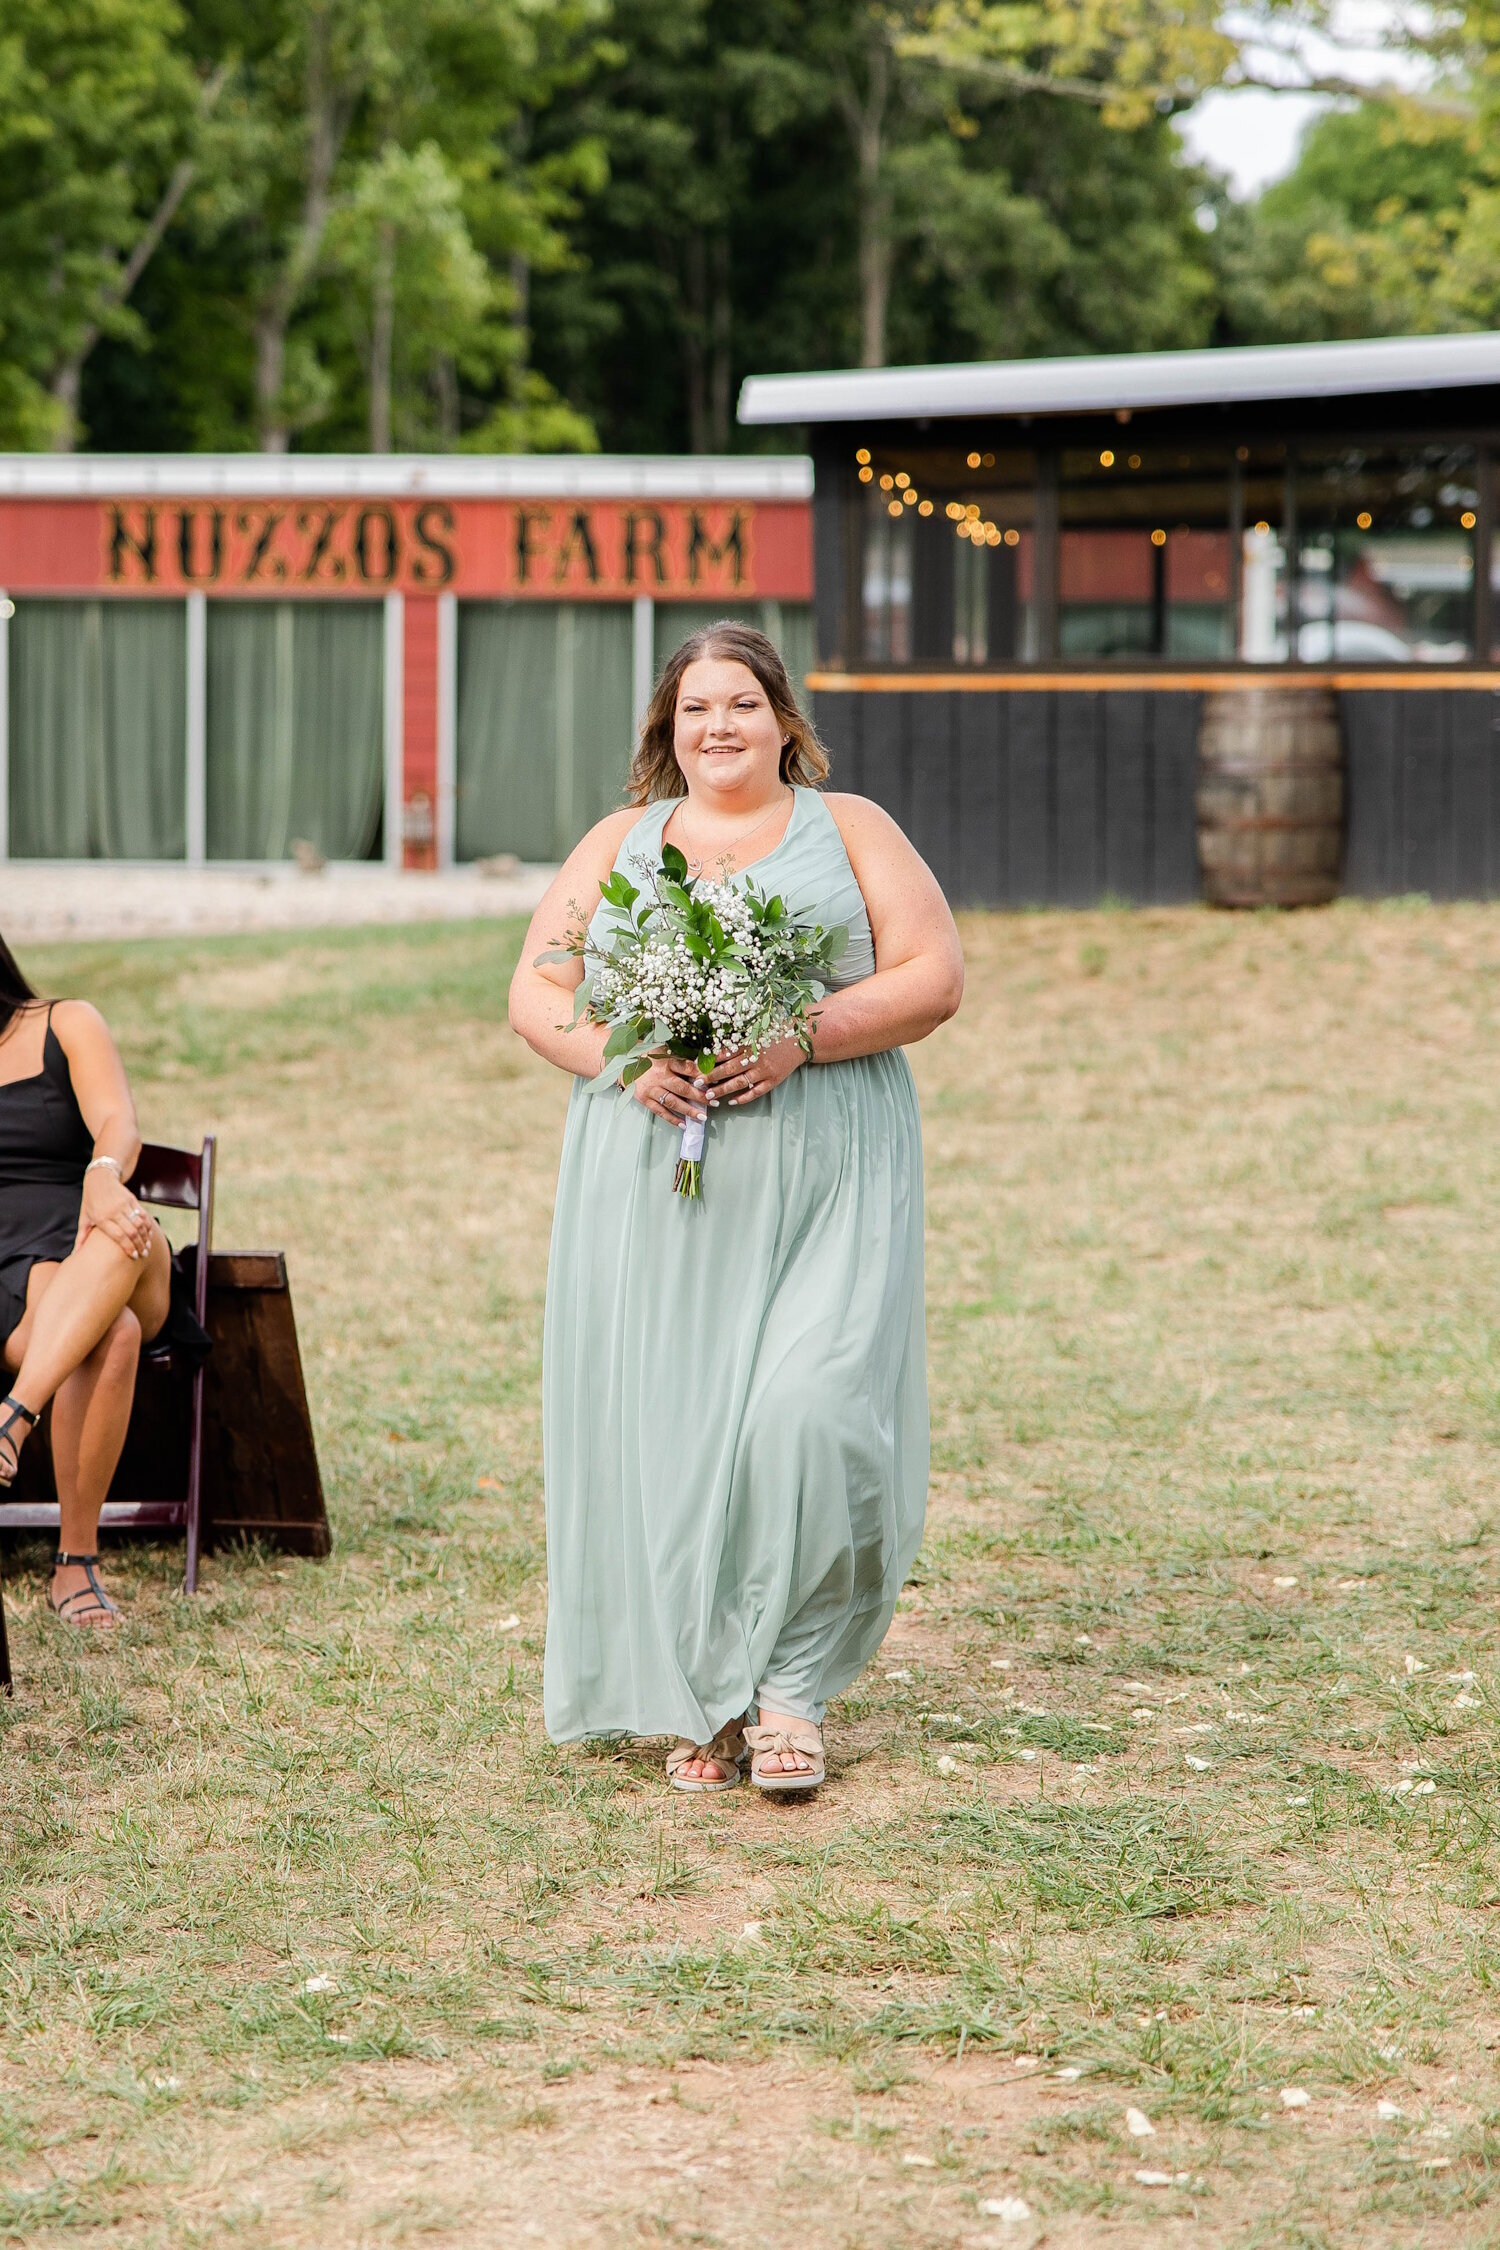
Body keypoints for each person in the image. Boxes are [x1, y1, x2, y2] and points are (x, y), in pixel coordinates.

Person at [509, 623, 964, 1793]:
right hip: (656, 1186)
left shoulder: (851, 827)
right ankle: (706, 1690)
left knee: (808, 1414)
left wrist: (802, 1035)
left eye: (743, 704)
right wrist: (617, 1056)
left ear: (785, 721)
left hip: (829, 1177)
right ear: (668, 727)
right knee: (681, 1438)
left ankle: (794, 1685)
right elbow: (536, 988)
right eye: (697, 707)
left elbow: (933, 976)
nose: (720, 726)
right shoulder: (619, 843)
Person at [0, 932, 168, 1628]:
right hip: (15, 1276)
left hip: (102, 1240)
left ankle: (11, 1420)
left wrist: (103, 1180)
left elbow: (116, 1121)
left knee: (122, 1232)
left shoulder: (64, 1023)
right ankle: (76, 1565)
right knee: (110, 1334)